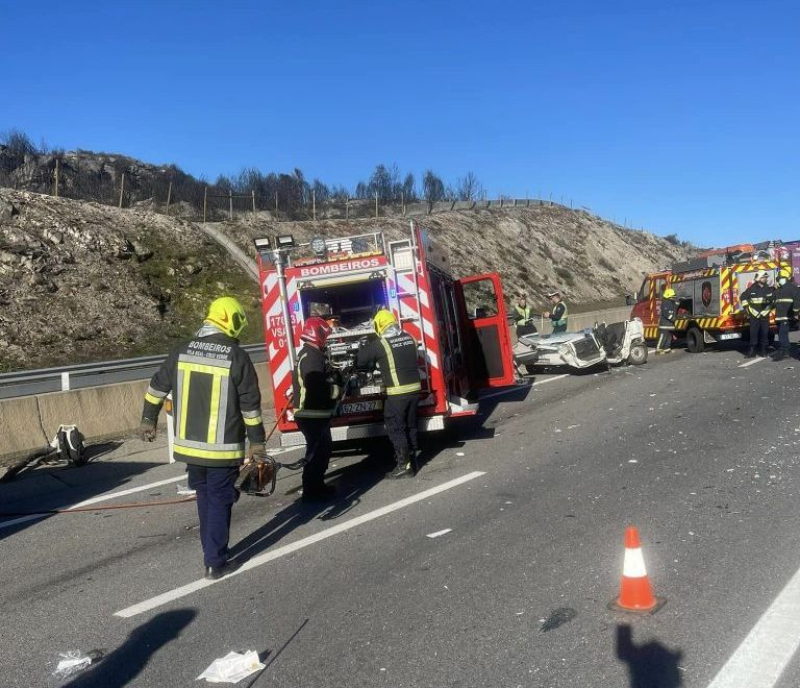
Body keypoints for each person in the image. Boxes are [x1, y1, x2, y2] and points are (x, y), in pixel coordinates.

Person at [139, 297, 265, 580]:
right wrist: (257, 442)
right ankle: (215, 561)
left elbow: (156, 387)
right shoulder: (236, 356)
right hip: (221, 450)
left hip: (189, 449)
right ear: (230, 321)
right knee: (221, 500)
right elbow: (250, 406)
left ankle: (212, 549)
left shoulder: (181, 350)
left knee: (205, 498)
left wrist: (148, 419)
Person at [356, 309, 422, 479]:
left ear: (379, 325)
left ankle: (404, 466)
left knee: (395, 428)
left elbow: (361, 360)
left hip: (397, 394)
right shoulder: (409, 337)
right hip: (415, 391)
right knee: (411, 426)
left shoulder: (381, 344)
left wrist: (364, 347)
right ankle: (413, 461)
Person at [292, 317, 340, 501]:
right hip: (311, 414)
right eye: (325, 336)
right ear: (317, 334)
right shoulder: (312, 356)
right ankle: (312, 490)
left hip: (312, 413)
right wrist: (333, 390)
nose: (326, 340)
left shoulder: (308, 353)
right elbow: (315, 384)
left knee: (321, 449)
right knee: (317, 451)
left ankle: (316, 486)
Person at [740, 270, 774, 358]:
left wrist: (766, 310)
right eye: (763, 277)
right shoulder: (751, 289)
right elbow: (743, 297)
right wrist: (747, 308)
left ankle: (763, 350)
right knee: (753, 333)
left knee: (765, 332)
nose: (765, 279)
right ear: (758, 278)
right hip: (754, 315)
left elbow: (773, 301)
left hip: (764, 315)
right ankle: (752, 351)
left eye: (766, 277)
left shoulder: (769, 289)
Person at [772, 265, 799, 361]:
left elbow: (796, 301)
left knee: (783, 334)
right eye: (779, 278)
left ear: (785, 278)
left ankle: (785, 351)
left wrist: (795, 313)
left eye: (780, 278)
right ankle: (784, 350)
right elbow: (773, 301)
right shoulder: (779, 289)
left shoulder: (792, 288)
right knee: (781, 334)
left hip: (786, 316)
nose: (779, 280)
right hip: (780, 317)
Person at [656, 287, 678, 354]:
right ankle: (658, 349)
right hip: (664, 325)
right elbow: (666, 313)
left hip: (669, 325)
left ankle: (667, 349)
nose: (673, 297)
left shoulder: (671, 302)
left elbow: (675, 307)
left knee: (669, 337)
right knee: (663, 337)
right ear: (668, 296)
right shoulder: (665, 302)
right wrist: (672, 318)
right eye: (672, 296)